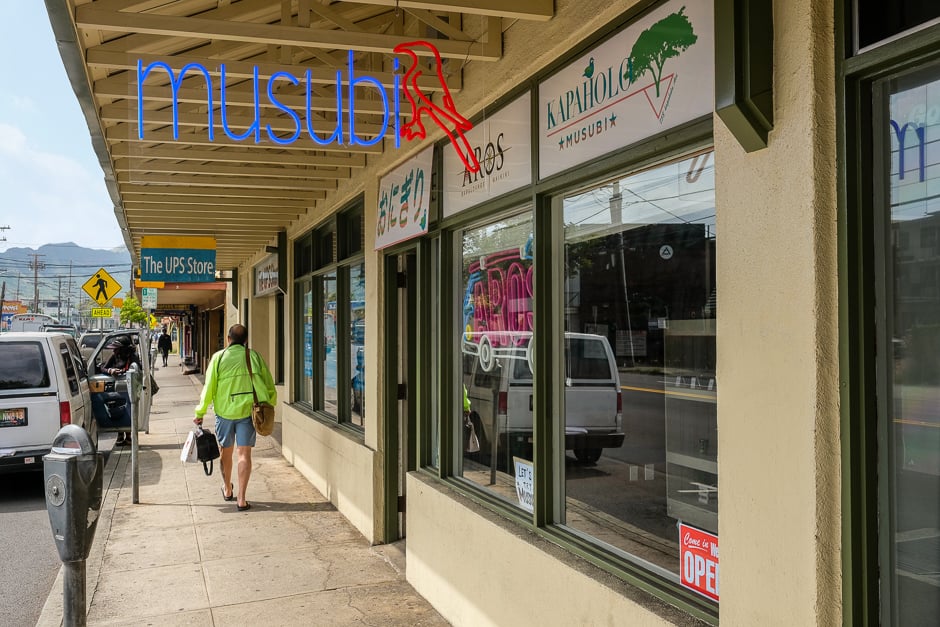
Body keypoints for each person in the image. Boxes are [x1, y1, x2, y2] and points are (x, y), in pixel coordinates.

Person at [194, 324, 276, 511]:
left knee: (226, 452)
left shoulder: (218, 358)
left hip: (224, 414)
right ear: (246, 340)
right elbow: (268, 384)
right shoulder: (253, 356)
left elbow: (208, 389)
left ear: (228, 339)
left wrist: (200, 412)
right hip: (248, 413)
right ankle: (242, 498)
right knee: (244, 454)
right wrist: (270, 403)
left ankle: (228, 489)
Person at [104, 336, 142, 445]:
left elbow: (137, 370)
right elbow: (103, 367)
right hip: (118, 389)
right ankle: (120, 435)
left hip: (130, 389)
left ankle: (129, 435)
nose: (114, 350)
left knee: (129, 411)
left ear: (123, 349)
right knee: (119, 410)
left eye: (116, 348)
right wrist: (110, 370)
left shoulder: (133, 357)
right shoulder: (114, 356)